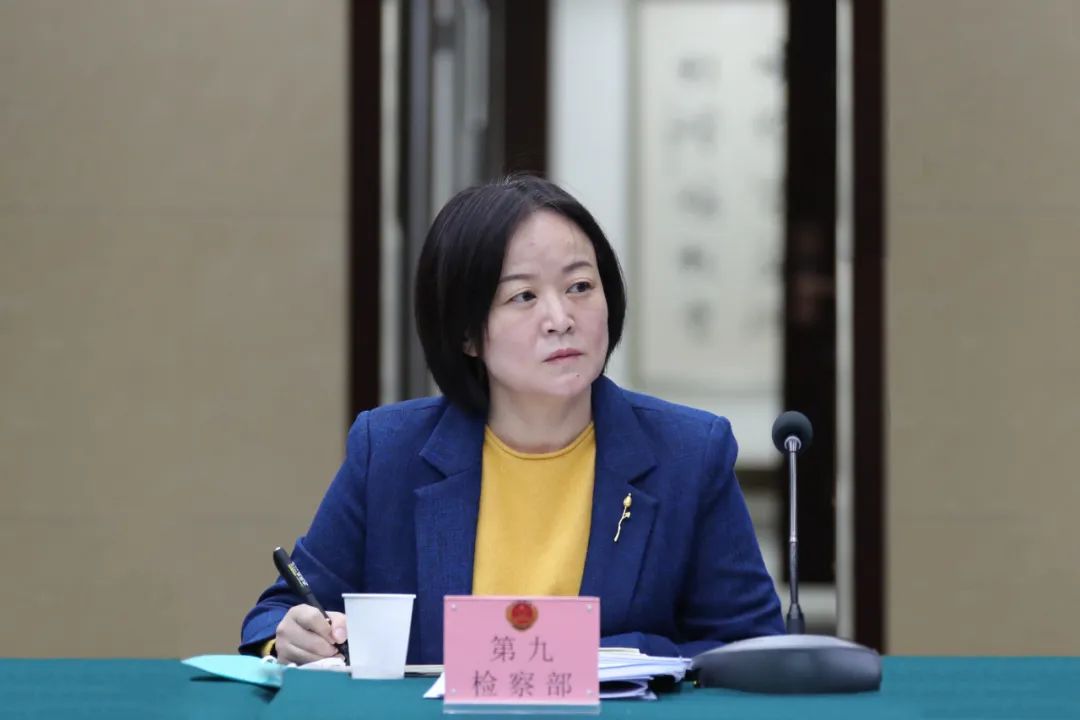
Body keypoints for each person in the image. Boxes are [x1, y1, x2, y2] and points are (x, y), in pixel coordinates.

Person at [240, 175, 783, 665]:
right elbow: (280, 610)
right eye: (523, 296)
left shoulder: (689, 453)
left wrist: (616, 656)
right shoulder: (390, 451)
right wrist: (289, 637)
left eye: (580, 287)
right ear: (467, 334)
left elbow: (752, 647)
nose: (560, 319)